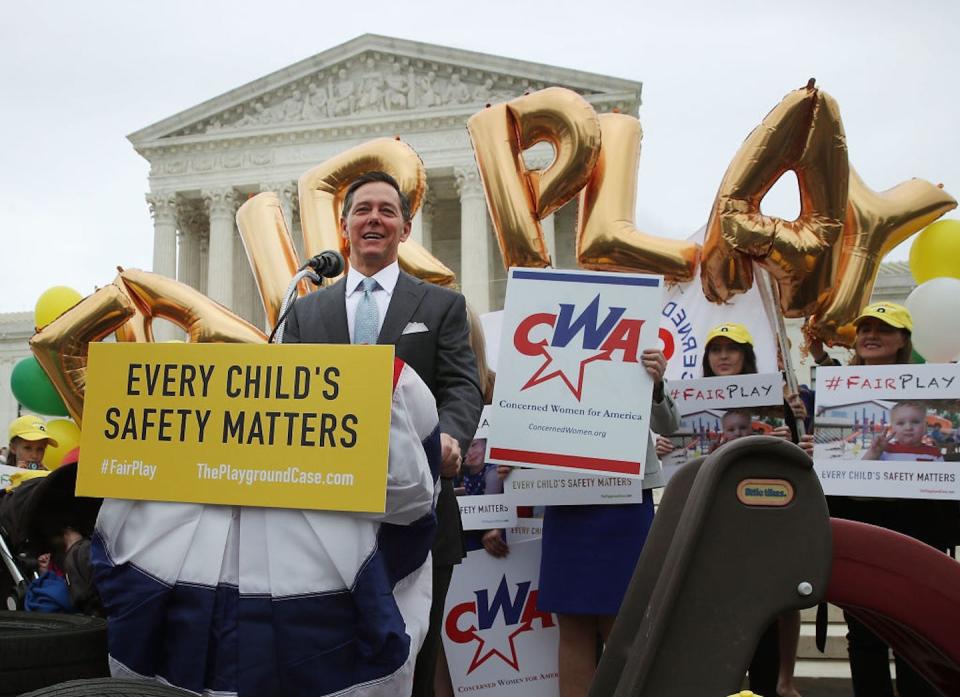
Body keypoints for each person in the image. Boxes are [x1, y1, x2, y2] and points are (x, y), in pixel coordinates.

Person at [283, 170, 484, 697]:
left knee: (413, 661)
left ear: (405, 228)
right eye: (363, 210)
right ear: (345, 226)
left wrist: (452, 437)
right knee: (330, 658)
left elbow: (462, 387)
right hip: (326, 520)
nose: (375, 218)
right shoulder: (305, 313)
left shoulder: (441, 306)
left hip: (419, 519)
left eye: (387, 211)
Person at [823, 302, 951, 697]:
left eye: (884, 329)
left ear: (902, 340)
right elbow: (834, 460)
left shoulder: (938, 386)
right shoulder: (833, 392)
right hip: (858, 526)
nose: (871, 336)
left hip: (920, 527)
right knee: (864, 633)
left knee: (917, 629)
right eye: (865, 329)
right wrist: (815, 445)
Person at [535, 345, 679, 697]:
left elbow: (669, 425)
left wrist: (656, 384)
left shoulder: (635, 345)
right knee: (571, 622)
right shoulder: (538, 345)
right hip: (565, 493)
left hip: (624, 498)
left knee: (625, 624)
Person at [698, 322, 806, 697]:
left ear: (746, 355)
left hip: (766, 522)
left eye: (732, 348)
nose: (723, 356)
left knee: (772, 605)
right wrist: (665, 447)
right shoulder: (689, 404)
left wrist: (789, 436)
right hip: (715, 527)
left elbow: (799, 463)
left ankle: (776, 683)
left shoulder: (777, 403)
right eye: (716, 349)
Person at [863, 402, 943, 461]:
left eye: (915, 422)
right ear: (892, 428)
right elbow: (862, 470)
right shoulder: (884, 450)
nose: (908, 427)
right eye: (901, 423)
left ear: (925, 426)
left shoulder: (934, 453)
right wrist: (874, 452)